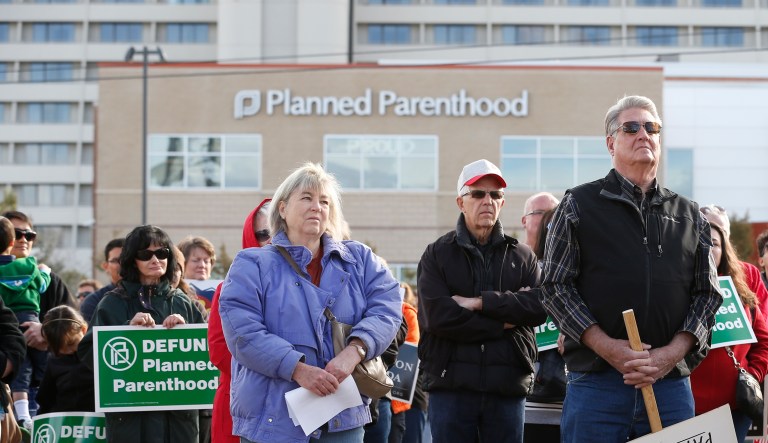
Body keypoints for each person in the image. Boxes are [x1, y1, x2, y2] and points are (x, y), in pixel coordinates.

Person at [540, 95, 723, 442]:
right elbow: (555, 286)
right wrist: (608, 347)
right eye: (631, 127)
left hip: (669, 387)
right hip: (597, 385)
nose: (644, 134)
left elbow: (707, 296)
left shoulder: (689, 214)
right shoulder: (578, 205)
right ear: (611, 142)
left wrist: (670, 355)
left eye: (652, 128)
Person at [219, 162, 402, 442]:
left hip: (343, 417)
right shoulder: (251, 263)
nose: (317, 206)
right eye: (307, 198)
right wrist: (298, 369)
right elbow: (243, 333)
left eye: (324, 201)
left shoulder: (360, 260)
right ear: (282, 209)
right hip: (275, 420)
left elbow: (388, 307)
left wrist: (354, 352)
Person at [417, 159, 546, 443]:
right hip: (450, 388)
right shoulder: (437, 254)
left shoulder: (522, 256)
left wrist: (479, 303)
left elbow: (538, 307)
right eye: (478, 193)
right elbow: (438, 317)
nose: (487, 200)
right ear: (461, 202)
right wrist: (505, 322)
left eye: (495, 194)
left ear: (502, 203)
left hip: (507, 388)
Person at [78, 224, 205, 443]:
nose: (155, 260)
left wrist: (189, 335)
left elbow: (208, 356)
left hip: (178, 425)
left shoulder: (184, 302)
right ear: (132, 260)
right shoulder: (112, 303)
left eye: (162, 253)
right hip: (130, 423)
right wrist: (126, 332)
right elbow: (89, 352)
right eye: (146, 254)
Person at [690, 222, 768, 442]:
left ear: (724, 250)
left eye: (714, 243)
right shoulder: (675, 290)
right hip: (687, 408)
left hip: (735, 409)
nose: (707, 248)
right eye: (700, 242)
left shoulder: (740, 290)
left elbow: (764, 342)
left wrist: (753, 375)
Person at [208, 198, 271, 443]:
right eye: (263, 233)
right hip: (240, 401)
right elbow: (219, 351)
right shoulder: (228, 289)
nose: (271, 239)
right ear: (250, 235)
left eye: (278, 230)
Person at [700, 204, 768, 310]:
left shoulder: (750, 273)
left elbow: (762, 318)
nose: (716, 235)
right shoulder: (685, 276)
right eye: (709, 230)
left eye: (722, 232)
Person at [36, 305, 94, 414]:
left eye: (71, 343)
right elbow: (45, 400)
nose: (67, 351)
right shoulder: (54, 361)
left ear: (83, 329)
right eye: (59, 347)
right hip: (64, 423)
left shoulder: (98, 354)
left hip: (96, 422)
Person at [80, 238, 124, 324]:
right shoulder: (93, 302)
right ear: (105, 266)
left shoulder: (146, 298)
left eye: (125, 259)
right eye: (116, 260)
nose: (122, 264)